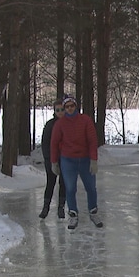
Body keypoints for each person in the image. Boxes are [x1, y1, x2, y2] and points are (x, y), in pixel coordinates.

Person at [50, 94, 102, 230]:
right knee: (70, 188)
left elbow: (92, 140)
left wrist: (93, 160)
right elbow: (54, 143)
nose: (69, 109)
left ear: (76, 106)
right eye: (67, 107)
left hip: (85, 160)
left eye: (72, 106)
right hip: (68, 161)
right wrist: (54, 162)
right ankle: (73, 214)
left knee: (91, 187)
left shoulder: (85, 120)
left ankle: (93, 211)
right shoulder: (60, 124)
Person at [39, 99, 66, 219]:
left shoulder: (70, 124)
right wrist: (49, 159)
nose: (60, 112)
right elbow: (45, 143)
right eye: (57, 110)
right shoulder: (50, 125)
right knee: (50, 183)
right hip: (52, 159)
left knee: (64, 183)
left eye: (62, 109)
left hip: (66, 159)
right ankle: (46, 207)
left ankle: (61, 208)